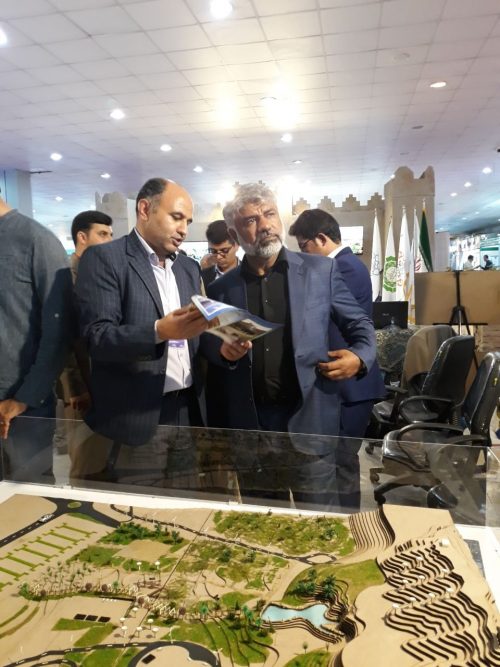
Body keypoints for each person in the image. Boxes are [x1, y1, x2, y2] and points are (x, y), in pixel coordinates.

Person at [205, 183, 376, 508]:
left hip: (311, 428)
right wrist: (223, 353)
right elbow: (209, 346)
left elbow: (361, 324)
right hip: (253, 434)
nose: (265, 225)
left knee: (321, 527)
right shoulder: (221, 289)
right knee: (263, 527)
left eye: (269, 214)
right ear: (234, 233)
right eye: (252, 220)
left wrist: (359, 357)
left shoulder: (320, 271)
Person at [75, 177, 244, 450]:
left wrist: (224, 351)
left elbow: (197, 334)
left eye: (188, 221)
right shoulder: (106, 259)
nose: (184, 230)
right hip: (137, 416)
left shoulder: (188, 268)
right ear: (144, 209)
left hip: (190, 410)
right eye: (176, 217)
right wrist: (158, 332)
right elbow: (97, 338)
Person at [289, 208, 385, 439]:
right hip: (342, 382)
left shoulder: (342, 267)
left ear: (321, 239)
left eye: (303, 246)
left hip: (348, 384)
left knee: (342, 456)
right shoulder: (347, 263)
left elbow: (320, 315)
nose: (303, 254)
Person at [0, 192, 73, 481]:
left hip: (22, 409)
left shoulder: (36, 240)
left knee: (29, 498)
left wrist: (25, 397)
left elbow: (60, 330)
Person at [55, 210, 114, 479]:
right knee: (85, 461)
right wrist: (76, 388)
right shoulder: (66, 278)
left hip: (103, 381)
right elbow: (62, 339)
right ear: (82, 237)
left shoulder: (98, 274)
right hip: (80, 387)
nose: (109, 240)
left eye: (110, 234)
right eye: (102, 234)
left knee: (101, 458)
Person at [201, 219, 240, 288]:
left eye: (224, 250)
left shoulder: (250, 274)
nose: (218, 257)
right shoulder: (202, 277)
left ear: (236, 245)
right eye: (213, 251)